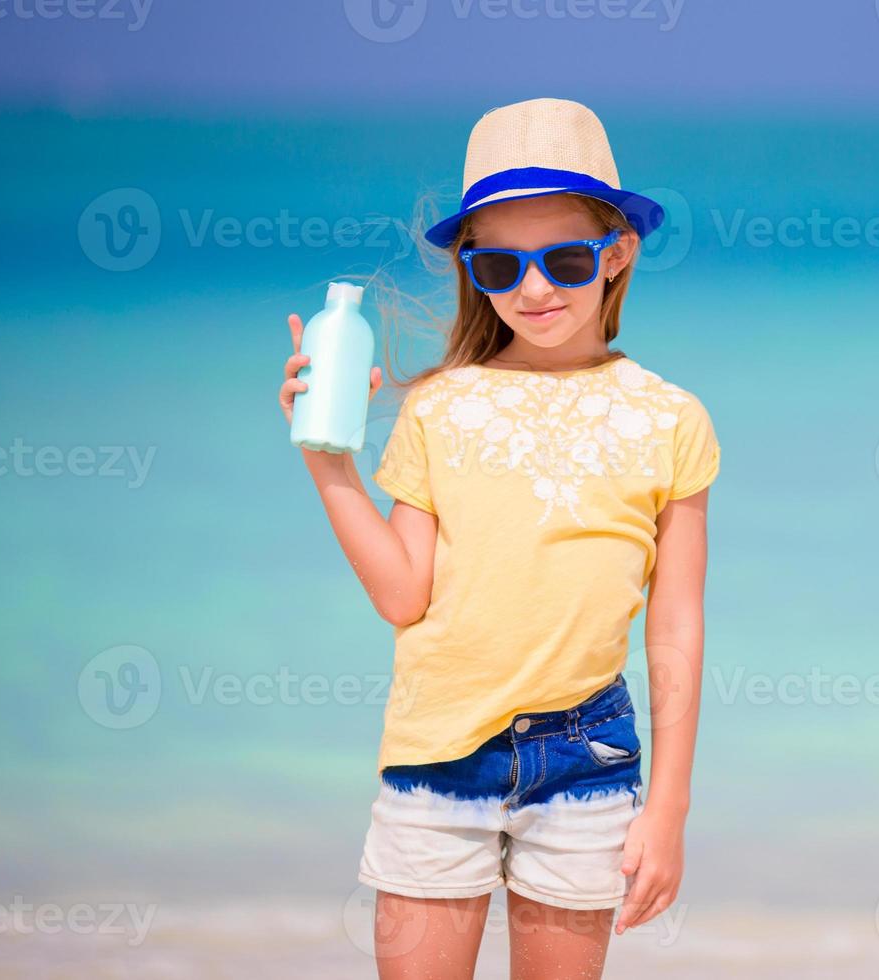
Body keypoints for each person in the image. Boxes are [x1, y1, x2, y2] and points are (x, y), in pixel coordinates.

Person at [277, 97, 720, 979]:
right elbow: (404, 595)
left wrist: (667, 807)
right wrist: (328, 460)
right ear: (471, 268)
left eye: (563, 258)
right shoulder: (442, 406)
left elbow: (675, 628)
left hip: (588, 762)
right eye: (499, 266)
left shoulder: (671, 419)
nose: (534, 288)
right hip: (438, 754)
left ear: (617, 253)